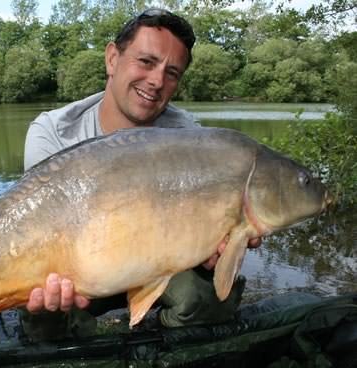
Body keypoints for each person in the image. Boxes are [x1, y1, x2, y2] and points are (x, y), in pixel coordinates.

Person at [22, 8, 260, 340]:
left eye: (172, 73)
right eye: (146, 62)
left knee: (208, 299)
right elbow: (39, 232)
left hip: (156, 259)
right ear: (111, 59)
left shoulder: (191, 139)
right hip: (80, 265)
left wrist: (215, 246)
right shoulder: (53, 132)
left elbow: (199, 227)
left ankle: (155, 336)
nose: (157, 81)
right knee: (43, 314)